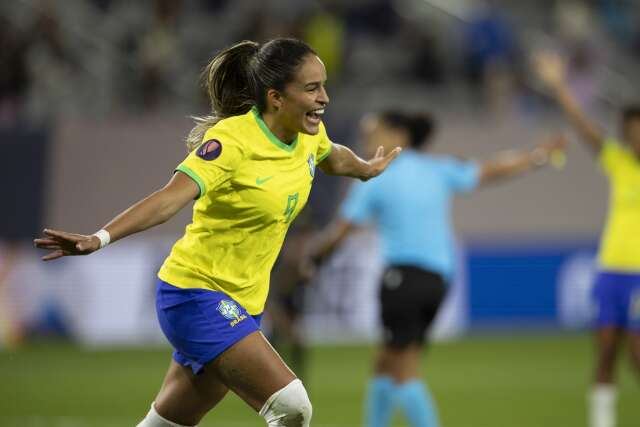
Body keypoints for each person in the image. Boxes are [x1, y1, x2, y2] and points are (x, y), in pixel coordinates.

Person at [33, 38, 401, 427]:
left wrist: (363, 168)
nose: (324, 97)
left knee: (167, 423)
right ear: (276, 98)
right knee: (292, 405)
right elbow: (168, 199)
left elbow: (330, 154)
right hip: (195, 294)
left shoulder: (309, 133)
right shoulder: (232, 142)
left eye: (323, 85)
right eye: (311, 88)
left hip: (244, 305)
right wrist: (99, 238)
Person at [301, 110, 566, 427]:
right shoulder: (436, 169)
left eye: (374, 132)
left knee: (403, 370)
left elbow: (340, 232)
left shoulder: (375, 175)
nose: (367, 139)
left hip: (403, 279)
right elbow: (491, 169)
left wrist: (313, 260)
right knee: (386, 362)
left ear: (399, 135)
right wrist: (538, 156)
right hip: (438, 281)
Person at [535, 51, 640, 427]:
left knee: (638, 356)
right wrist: (558, 85)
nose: (635, 138)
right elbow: (582, 126)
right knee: (606, 351)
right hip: (611, 270)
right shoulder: (618, 161)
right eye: (630, 132)